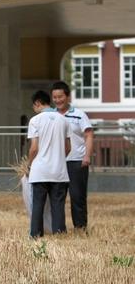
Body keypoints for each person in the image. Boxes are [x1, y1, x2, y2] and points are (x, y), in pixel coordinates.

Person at [27, 90, 71, 238]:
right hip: (59, 171)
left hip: (40, 171)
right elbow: (68, 147)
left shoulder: (35, 120)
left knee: (38, 205)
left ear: (38, 103)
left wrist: (28, 163)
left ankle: (36, 235)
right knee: (58, 206)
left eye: (34, 106)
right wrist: (58, 157)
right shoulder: (64, 120)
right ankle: (60, 234)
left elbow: (34, 148)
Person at [51, 81, 94, 232]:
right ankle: (58, 229)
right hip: (57, 162)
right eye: (55, 97)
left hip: (76, 161)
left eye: (60, 96)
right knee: (57, 197)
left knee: (77, 196)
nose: (57, 100)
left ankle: (80, 228)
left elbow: (88, 135)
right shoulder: (50, 116)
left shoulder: (79, 115)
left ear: (68, 97)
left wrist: (87, 156)